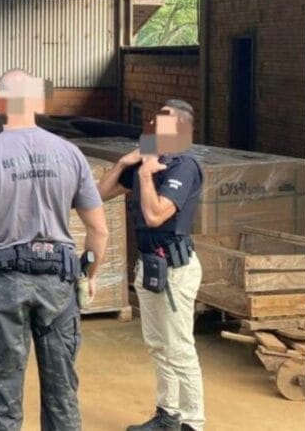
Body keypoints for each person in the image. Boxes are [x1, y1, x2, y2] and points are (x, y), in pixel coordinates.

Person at [0, 69, 109, 431]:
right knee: (62, 391)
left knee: (3, 391)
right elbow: (98, 230)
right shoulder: (70, 154)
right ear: (37, 103)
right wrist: (90, 276)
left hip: (6, 286)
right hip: (59, 282)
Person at [96, 99, 205, 431]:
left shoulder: (183, 166)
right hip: (149, 267)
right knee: (158, 345)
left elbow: (157, 214)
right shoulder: (152, 159)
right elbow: (100, 194)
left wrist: (143, 175)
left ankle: (192, 421)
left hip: (174, 268)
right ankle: (167, 414)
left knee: (179, 347)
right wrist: (123, 163)